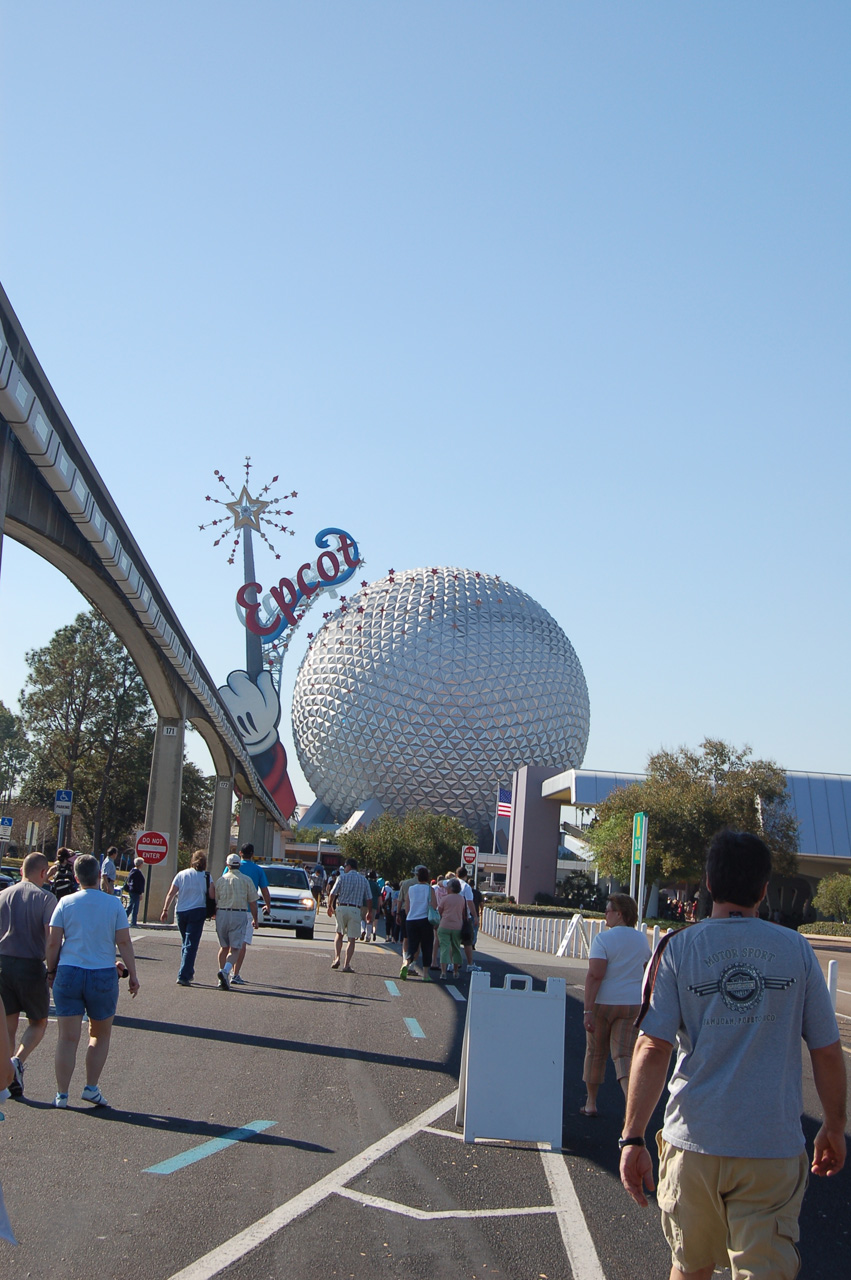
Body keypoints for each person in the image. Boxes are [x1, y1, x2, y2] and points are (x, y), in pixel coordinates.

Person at [620, 830, 846, 1280]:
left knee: (690, 1267)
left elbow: (652, 1046)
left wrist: (633, 1137)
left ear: (707, 882)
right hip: (772, 1147)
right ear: (764, 888)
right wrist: (834, 1128)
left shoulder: (677, 948)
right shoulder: (797, 951)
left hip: (693, 1142)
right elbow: (825, 1050)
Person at [45, 853, 139, 1108]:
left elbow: (53, 942)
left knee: (66, 1038)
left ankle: (62, 1094)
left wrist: (51, 970)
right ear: (99, 876)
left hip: (69, 971)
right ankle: (91, 1087)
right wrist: (133, 974)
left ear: (76, 877)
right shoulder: (114, 905)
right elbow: (124, 942)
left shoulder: (65, 902)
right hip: (102, 973)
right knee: (99, 1035)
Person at [581, 892, 650, 1116]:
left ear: (619, 914)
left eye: (608, 910)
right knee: (623, 1056)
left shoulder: (603, 939)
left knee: (595, 1052)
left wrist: (587, 1010)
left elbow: (595, 975)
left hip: (603, 1003)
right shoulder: (641, 939)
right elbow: (647, 970)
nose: (605, 914)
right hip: (631, 1004)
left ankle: (591, 1103)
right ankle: (631, 1108)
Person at [0, 853, 55, 1099]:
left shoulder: (2, 895)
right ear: (43, 872)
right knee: (38, 1021)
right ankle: (17, 1063)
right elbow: (51, 938)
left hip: (3, 964)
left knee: (7, 1024)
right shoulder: (46, 899)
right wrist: (52, 969)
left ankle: (5, 1075)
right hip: (31, 966)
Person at [160, 850, 216, 986]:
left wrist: (165, 909)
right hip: (198, 911)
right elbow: (212, 895)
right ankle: (184, 975)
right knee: (191, 944)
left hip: (181, 911)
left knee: (186, 942)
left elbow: (171, 893)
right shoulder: (207, 877)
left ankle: (187, 971)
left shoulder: (181, 874)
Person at [214, 853, 257, 989]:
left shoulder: (221, 880)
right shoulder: (246, 880)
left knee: (224, 947)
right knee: (235, 948)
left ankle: (222, 980)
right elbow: (253, 902)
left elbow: (215, 900)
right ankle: (225, 971)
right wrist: (256, 919)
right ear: (239, 865)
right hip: (238, 914)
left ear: (227, 865)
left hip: (221, 913)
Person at [230, 844, 271, 985]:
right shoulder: (258, 870)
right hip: (247, 910)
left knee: (230, 942)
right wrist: (268, 905)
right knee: (242, 943)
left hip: (230, 908)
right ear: (252, 854)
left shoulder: (232, 866)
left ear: (240, 853)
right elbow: (265, 890)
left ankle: (226, 968)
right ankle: (235, 973)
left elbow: (223, 881)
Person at [328, 858, 372, 973]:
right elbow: (369, 898)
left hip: (342, 907)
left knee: (339, 934)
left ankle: (337, 957)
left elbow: (332, 893)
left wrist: (329, 906)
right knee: (351, 939)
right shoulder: (363, 880)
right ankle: (346, 965)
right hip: (355, 909)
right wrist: (369, 912)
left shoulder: (342, 877)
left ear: (349, 866)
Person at [400, 866, 436, 981]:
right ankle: (425, 974)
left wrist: (409, 915)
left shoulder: (411, 889)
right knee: (427, 946)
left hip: (411, 920)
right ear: (427, 877)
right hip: (425, 920)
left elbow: (407, 906)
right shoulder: (430, 889)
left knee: (412, 945)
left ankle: (406, 963)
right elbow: (434, 905)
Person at [454, 865, 482, 974]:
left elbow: (441, 883)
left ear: (456, 875)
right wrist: (475, 916)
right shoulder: (466, 887)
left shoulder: (451, 883)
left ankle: (452, 964)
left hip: (452, 916)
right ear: (466, 876)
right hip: (465, 917)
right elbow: (470, 902)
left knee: (453, 941)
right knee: (467, 942)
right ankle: (470, 964)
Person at [437, 877, 466, 979]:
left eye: (447, 887)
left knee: (444, 948)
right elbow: (463, 913)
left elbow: (439, 911)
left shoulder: (445, 898)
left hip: (444, 925)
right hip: (457, 926)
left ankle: (443, 972)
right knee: (456, 948)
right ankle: (455, 971)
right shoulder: (462, 899)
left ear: (450, 888)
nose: (446, 889)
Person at [125, 858, 146, 927]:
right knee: (134, 907)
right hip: (135, 891)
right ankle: (133, 922)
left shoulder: (132, 871)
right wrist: (140, 893)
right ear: (140, 864)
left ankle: (125, 919)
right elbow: (138, 884)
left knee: (131, 906)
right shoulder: (137, 873)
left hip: (132, 891)